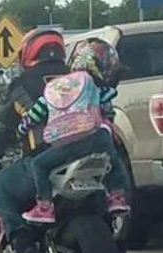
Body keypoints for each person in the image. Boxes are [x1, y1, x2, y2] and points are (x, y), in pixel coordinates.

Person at [0, 28, 69, 253]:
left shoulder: (23, 85)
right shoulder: (79, 77)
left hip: (44, 159)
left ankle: (23, 242)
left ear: (28, 53)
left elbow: (0, 130)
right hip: (86, 155)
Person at [18, 38, 131, 224]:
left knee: (38, 165)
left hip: (65, 143)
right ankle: (117, 197)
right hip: (96, 138)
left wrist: (22, 129)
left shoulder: (55, 87)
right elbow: (107, 108)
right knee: (114, 160)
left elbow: (34, 115)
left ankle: (45, 206)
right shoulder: (96, 87)